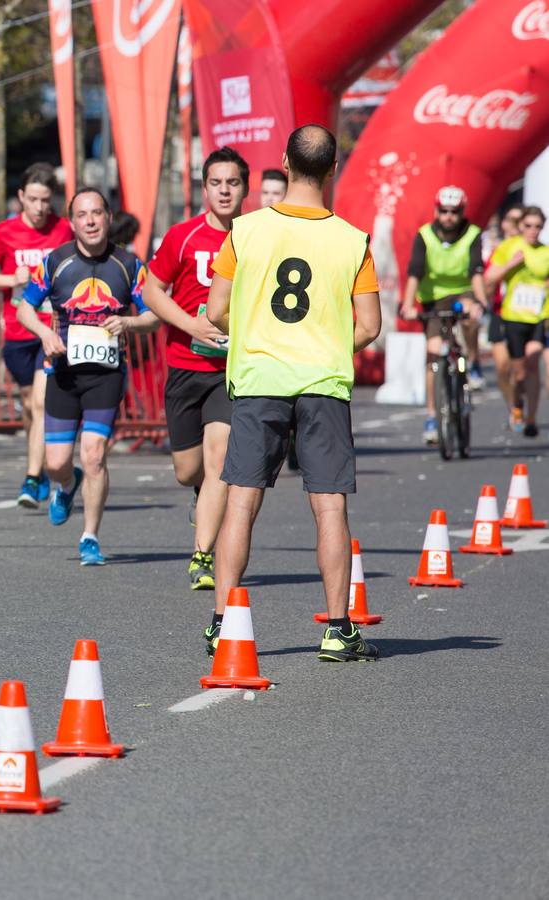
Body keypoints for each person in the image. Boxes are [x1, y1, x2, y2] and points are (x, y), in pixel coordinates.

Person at [206, 125, 382, 662]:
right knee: (329, 505)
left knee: (241, 500)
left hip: (260, 380)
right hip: (322, 383)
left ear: (284, 163)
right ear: (334, 168)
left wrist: (261, 334)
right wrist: (324, 346)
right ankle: (337, 628)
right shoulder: (353, 240)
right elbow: (369, 326)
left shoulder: (246, 230)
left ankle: (223, 624)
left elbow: (215, 312)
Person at [17, 187, 154, 566]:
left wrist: (128, 321)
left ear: (108, 218)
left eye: (97, 213)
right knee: (57, 462)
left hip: (106, 376)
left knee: (94, 456)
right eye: (82, 215)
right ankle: (65, 484)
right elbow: (24, 309)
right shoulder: (55, 262)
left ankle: (90, 536)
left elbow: (154, 314)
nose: (90, 221)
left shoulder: (129, 265)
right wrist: (45, 333)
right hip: (63, 372)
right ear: (72, 221)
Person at [144, 146, 249, 591]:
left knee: (219, 455)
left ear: (244, 189)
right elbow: (151, 291)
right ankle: (201, 499)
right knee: (189, 472)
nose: (224, 191)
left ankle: (202, 556)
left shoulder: (256, 237)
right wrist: (192, 325)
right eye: (216, 183)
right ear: (203, 188)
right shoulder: (182, 237)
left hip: (231, 371)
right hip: (185, 366)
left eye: (233, 183)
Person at [0, 162, 75, 508]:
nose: (39, 207)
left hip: (52, 329)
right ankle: (43, 469)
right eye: (33, 199)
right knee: (30, 405)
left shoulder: (64, 230)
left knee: (43, 403)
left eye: (45, 200)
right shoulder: (4, 232)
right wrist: (10, 280)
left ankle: (31, 479)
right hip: (16, 330)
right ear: (21, 197)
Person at [401, 186, 487, 443]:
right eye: (443, 211)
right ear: (436, 210)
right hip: (433, 299)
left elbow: (476, 271)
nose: (448, 216)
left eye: (454, 212)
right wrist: (407, 304)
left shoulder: (472, 234)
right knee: (433, 353)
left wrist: (481, 299)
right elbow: (415, 272)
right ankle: (431, 415)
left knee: (472, 315)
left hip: (462, 292)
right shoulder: (424, 235)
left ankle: (472, 362)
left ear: (462, 212)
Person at [484, 205, 549, 436]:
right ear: (521, 226)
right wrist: (511, 264)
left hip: (538, 317)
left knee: (533, 364)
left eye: (538, 227)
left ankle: (531, 418)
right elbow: (489, 277)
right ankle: (517, 405)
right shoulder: (509, 247)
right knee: (518, 372)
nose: (533, 231)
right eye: (529, 226)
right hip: (512, 316)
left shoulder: (546, 252)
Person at [486, 204, 525, 399]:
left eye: (521, 221)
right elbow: (488, 281)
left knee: (521, 372)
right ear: (504, 224)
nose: (517, 226)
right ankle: (513, 409)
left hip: (528, 316)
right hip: (500, 312)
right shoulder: (499, 250)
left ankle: (522, 406)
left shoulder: (535, 249)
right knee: (502, 367)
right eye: (513, 220)